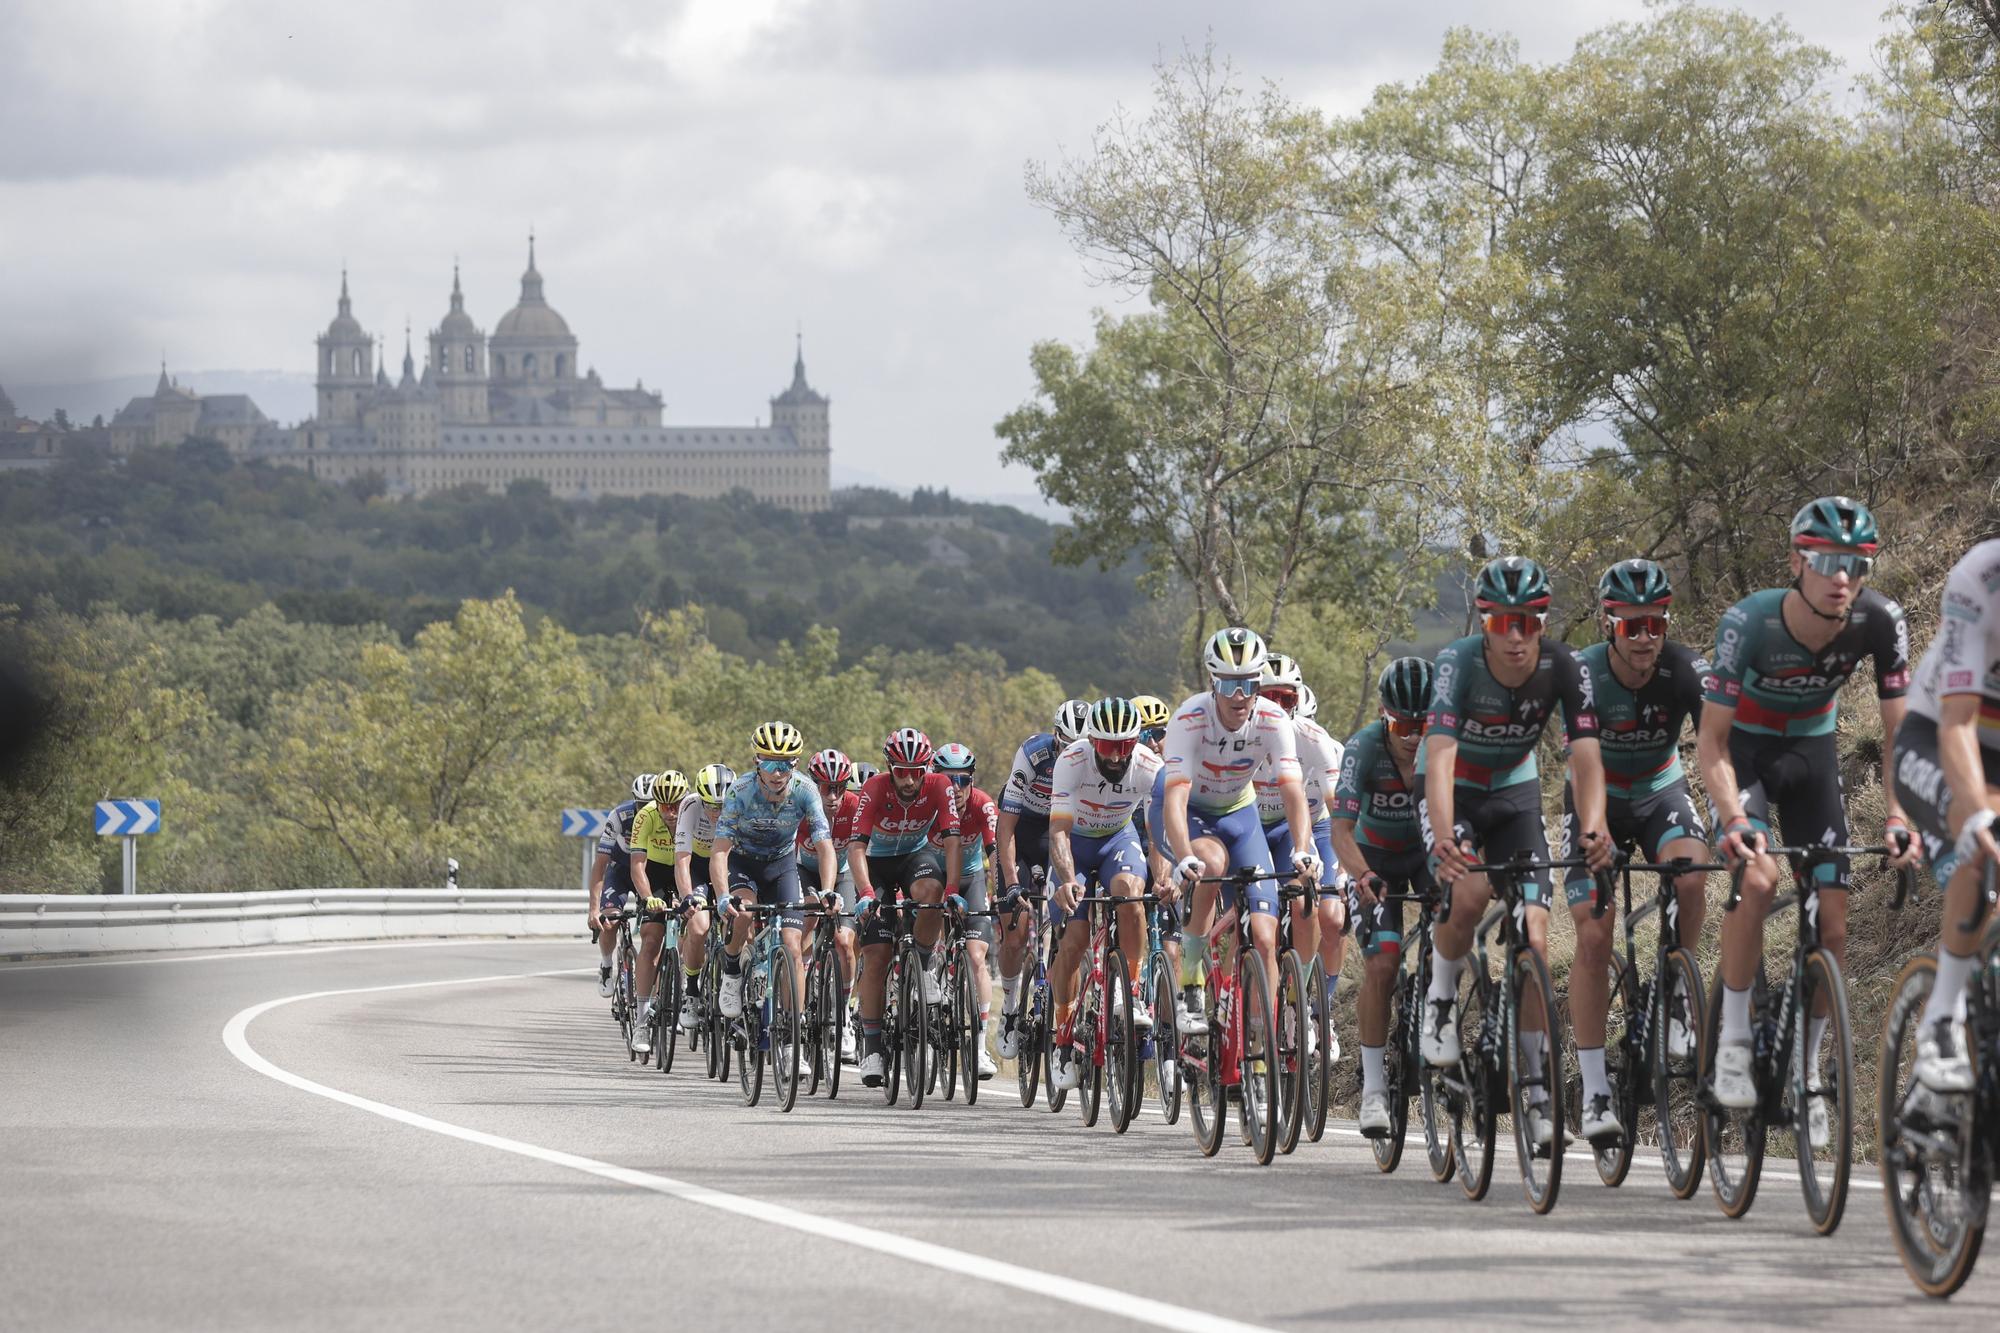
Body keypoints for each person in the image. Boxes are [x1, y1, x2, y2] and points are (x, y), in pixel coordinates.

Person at [1700, 497, 1919, 1137]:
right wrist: (1732, 818)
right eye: (1826, 560)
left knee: (1835, 924)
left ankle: (1809, 1068)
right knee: (1760, 879)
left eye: (1855, 562)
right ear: (1798, 560)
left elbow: (1897, 734)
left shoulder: (1881, 621)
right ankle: (1735, 1044)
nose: (1841, 575)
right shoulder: (1750, 622)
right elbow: (1711, 742)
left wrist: (1899, 815)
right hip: (1745, 758)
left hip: (1811, 758)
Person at [1419, 556, 1613, 1153]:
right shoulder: (1457, 662)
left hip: (1516, 795)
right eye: (1501, 621)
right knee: (1471, 892)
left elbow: (1585, 757)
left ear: (1541, 621)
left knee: (1535, 937)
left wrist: (1596, 826)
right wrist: (1447, 836)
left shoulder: (1565, 664)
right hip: (1457, 795)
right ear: (1483, 622)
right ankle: (1441, 996)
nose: (1513, 635)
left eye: (1526, 622)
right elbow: (1442, 757)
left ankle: (1535, 1094)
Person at [1557, 560, 1714, 1139]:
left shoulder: (1685, 666)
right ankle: (1595, 1086)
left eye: (1656, 624)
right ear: (1609, 626)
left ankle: (1676, 989)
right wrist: (1594, 827)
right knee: (1595, 936)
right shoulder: (1582, 673)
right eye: (1633, 627)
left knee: (1692, 873)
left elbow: (1717, 745)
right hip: (1594, 796)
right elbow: (1581, 761)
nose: (1646, 638)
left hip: (1658, 790)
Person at [1159, 628, 1322, 1038]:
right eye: (1229, 684)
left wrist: (1303, 849)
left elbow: (1292, 791)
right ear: (1213, 682)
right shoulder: (1189, 719)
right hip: (1193, 813)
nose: (1239, 695)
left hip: (1239, 813)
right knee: (1210, 865)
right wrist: (1182, 857)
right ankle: (1192, 984)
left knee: (1266, 938)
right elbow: (1175, 800)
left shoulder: (1272, 719)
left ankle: (1260, 1038)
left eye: (1248, 684)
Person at [1892, 538, 2000, 1093]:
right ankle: (1941, 1019)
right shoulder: (1982, 577)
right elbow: (1956, 725)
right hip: (1937, 738)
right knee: (1978, 841)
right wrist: (1980, 816)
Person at [1331, 658, 1433, 1136]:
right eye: (1404, 724)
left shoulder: (1445, 744)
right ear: (1383, 715)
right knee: (1383, 963)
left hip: (1427, 851)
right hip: (1374, 857)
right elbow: (1340, 833)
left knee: (1457, 921)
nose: (1415, 736)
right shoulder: (1364, 749)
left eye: (1426, 723)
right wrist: (1363, 874)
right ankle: (1373, 1089)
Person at [1046, 697, 1166, 1089]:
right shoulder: (1072, 761)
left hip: (1118, 837)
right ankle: (1063, 1035)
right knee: (1075, 939)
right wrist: (1066, 879)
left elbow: (1158, 834)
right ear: (1092, 740)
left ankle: (1128, 993)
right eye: (1107, 747)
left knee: (1131, 896)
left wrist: (1163, 878)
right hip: (1075, 845)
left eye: (1125, 746)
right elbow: (1059, 831)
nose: (1116, 757)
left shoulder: (1149, 765)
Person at [709, 723, 837, 1077]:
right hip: (744, 864)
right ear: (756, 761)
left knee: (793, 949)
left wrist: (826, 890)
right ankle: (732, 969)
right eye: (769, 763)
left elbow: (825, 845)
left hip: (782, 867)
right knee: (744, 914)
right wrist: (722, 896)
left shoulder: (806, 791)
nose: (778, 772)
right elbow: (719, 852)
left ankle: (790, 1041)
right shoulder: (740, 792)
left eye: (786, 764)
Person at [848, 729, 963, 1087]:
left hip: (916, 855)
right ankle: (872, 1046)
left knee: (933, 891)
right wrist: (866, 891)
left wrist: (955, 890)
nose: (910, 779)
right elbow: (855, 848)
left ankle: (925, 965)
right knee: (877, 954)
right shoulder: (874, 789)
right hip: (876, 863)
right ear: (889, 768)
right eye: (902, 771)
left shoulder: (940, 785)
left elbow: (953, 839)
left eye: (917, 771)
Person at [1253, 654, 1348, 1062]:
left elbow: (1340, 809)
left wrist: (1344, 869)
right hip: (1257, 829)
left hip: (1316, 826)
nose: (1276, 706)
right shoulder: (1242, 736)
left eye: (1285, 698)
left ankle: (1316, 1009)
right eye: (1267, 696)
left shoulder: (1315, 740)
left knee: (1329, 914)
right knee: (1257, 922)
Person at [994, 699, 1090, 1060]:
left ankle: (1062, 1022)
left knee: (1067, 927)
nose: (1072, 756)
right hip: (1022, 830)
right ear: (1055, 737)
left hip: (1058, 835)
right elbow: (1006, 826)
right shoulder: (1033, 755)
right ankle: (1008, 1012)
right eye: (1066, 747)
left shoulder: (1092, 762)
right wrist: (1011, 881)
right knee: (1016, 935)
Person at [933, 742, 1001, 1080]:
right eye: (948, 781)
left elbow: (996, 851)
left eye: (962, 780)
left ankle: (979, 1046)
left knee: (976, 957)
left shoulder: (982, 805)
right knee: (924, 944)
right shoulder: (927, 805)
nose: (956, 789)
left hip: (971, 877)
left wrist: (1004, 890)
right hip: (931, 875)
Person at [800, 748, 862, 1062]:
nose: (834, 796)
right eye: (827, 787)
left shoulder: (855, 806)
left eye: (841, 787)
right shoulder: (802, 806)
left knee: (844, 941)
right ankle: (800, 973)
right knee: (807, 918)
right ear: (814, 786)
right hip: (805, 869)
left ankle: (845, 1015)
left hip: (842, 874)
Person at [627, 769, 690, 1052]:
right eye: (665, 806)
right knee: (651, 938)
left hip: (686, 869)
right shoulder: (646, 816)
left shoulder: (693, 812)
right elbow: (637, 865)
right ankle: (642, 1020)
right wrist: (648, 897)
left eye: (676, 805)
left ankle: (690, 996)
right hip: (656, 873)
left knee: (697, 929)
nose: (672, 813)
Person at [671, 763, 735, 1031]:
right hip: (697, 867)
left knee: (737, 922)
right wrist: (687, 898)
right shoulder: (689, 806)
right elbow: (682, 861)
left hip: (727, 867)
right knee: (698, 929)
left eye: (721, 807)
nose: (716, 813)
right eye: (710, 806)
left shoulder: (739, 805)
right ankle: (692, 992)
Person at [589, 773, 654, 1000]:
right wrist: (593, 909)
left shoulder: (665, 817)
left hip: (648, 872)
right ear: (634, 801)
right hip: (620, 870)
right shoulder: (620, 815)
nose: (646, 809)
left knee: (656, 927)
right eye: (641, 804)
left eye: (651, 804)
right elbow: (600, 865)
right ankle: (607, 965)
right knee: (610, 920)